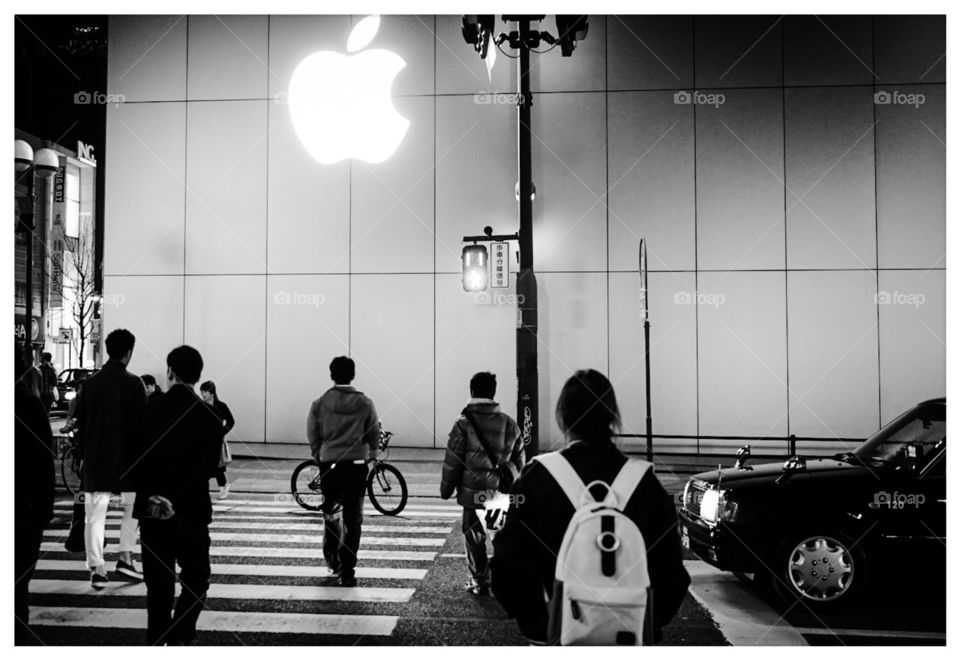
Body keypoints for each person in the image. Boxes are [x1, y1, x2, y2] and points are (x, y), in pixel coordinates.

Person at [491, 369, 690, 645]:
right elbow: (672, 574)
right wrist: (645, 621)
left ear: (563, 417)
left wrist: (540, 623)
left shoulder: (537, 478)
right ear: (611, 416)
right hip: (631, 638)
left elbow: (506, 565)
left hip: (555, 635)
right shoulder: (645, 483)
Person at [133, 345, 223, 646]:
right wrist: (179, 496)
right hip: (192, 512)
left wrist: (156, 495)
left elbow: (134, 462)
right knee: (196, 580)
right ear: (198, 377)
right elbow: (208, 468)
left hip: (153, 511)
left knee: (158, 589)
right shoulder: (210, 417)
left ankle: (157, 644)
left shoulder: (148, 410)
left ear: (170, 372)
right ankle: (181, 637)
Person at [74, 328, 147, 588]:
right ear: (128, 353)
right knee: (133, 507)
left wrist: (83, 457)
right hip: (125, 463)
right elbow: (140, 428)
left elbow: (82, 425)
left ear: (108, 350)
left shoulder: (90, 385)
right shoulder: (134, 383)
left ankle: (97, 568)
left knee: (94, 516)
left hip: (95, 462)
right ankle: (125, 556)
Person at [440, 371, 523, 596]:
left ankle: (480, 580)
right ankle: (507, 579)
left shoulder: (463, 424)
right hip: (498, 494)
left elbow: (453, 462)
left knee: (474, 535)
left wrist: (446, 489)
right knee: (499, 535)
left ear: (472, 391)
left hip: (472, 494)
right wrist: (508, 476)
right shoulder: (509, 424)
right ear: (493, 393)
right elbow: (519, 461)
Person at [306, 356, 379, 588]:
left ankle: (332, 560)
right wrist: (372, 455)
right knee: (353, 518)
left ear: (331, 375)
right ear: (353, 375)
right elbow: (373, 432)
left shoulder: (320, 403)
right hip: (356, 465)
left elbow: (312, 432)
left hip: (330, 465)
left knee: (331, 514)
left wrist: (319, 455)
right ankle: (348, 569)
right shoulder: (365, 403)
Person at [14, 345, 55, 641]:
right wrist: (44, 510)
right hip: (24, 510)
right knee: (17, 587)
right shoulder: (29, 406)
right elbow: (44, 460)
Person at [200, 381, 235, 500]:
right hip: (204, 438)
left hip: (216, 439)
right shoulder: (201, 405)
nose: (202, 394)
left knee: (217, 464)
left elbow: (231, 421)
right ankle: (222, 486)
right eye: (202, 391)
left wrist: (222, 432)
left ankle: (224, 485)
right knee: (206, 464)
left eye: (205, 391)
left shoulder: (221, 406)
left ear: (212, 392)